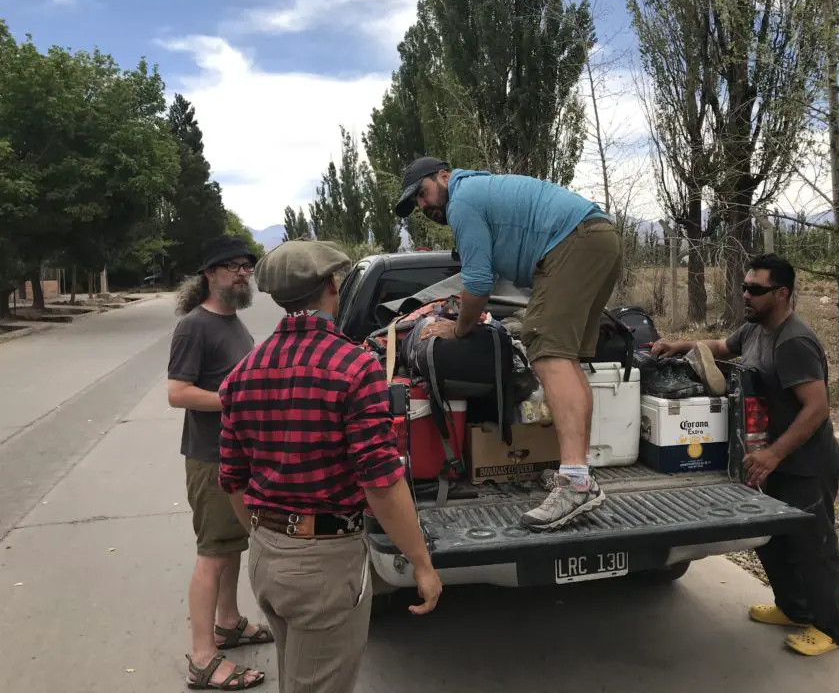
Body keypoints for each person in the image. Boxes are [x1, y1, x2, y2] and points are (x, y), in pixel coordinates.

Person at [217, 239, 443, 693]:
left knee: (298, 676)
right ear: (331, 286)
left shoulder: (243, 373)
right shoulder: (355, 367)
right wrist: (421, 563)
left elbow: (232, 479)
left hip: (265, 556)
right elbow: (381, 482)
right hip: (324, 564)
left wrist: (266, 535)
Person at [393, 157, 623, 532]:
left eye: (423, 193)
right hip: (597, 237)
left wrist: (458, 330)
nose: (424, 205)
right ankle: (577, 471)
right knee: (565, 359)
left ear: (444, 176)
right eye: (416, 203)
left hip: (574, 240)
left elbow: (479, 284)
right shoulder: (478, 192)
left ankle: (576, 481)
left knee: (547, 351)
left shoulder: (463, 201)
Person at [651, 253, 839, 657]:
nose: (745, 295)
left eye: (755, 290)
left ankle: (829, 628)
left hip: (806, 465)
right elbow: (722, 345)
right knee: (772, 541)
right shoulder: (756, 329)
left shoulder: (794, 341)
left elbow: (817, 408)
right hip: (771, 459)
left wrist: (774, 454)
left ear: (782, 293)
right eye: (744, 287)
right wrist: (679, 345)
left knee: (814, 546)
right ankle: (793, 609)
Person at [167, 235, 271, 690]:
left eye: (247, 265)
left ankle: (228, 624)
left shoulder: (233, 321)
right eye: (232, 266)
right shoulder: (196, 326)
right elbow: (178, 393)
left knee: (231, 547)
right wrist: (235, 402)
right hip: (210, 460)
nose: (242, 272)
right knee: (212, 554)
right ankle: (203, 658)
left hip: (235, 456)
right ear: (210, 274)